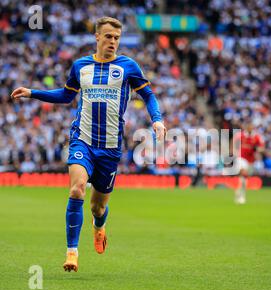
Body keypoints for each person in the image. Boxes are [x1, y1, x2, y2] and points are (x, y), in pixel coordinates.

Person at [11, 17, 166, 272]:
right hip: (82, 139)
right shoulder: (81, 66)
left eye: (116, 38)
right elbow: (66, 95)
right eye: (108, 37)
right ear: (97, 37)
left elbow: (147, 94)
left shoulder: (128, 66)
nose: (113, 42)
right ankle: (72, 252)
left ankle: (99, 226)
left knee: (98, 206)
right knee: (77, 190)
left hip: (110, 147)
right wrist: (32, 92)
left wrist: (157, 120)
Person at [233, 123, 264, 204]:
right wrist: (234, 153)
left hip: (250, 161)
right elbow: (234, 143)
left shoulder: (257, 137)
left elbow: (262, 148)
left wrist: (256, 148)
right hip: (241, 158)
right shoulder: (241, 135)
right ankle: (241, 196)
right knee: (243, 173)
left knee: (244, 179)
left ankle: (240, 192)